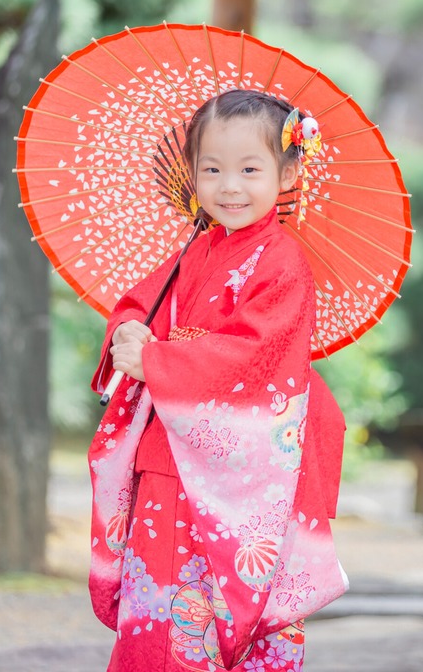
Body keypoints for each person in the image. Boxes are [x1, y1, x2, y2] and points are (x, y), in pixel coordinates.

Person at [87, 89, 349, 672]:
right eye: (212, 169)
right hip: (167, 456)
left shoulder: (282, 264)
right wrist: (129, 333)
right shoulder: (197, 250)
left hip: (241, 468)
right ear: (193, 174)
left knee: (219, 610)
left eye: (250, 169)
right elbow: (140, 304)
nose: (229, 186)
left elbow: (257, 357)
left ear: (288, 172)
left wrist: (156, 363)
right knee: (158, 607)